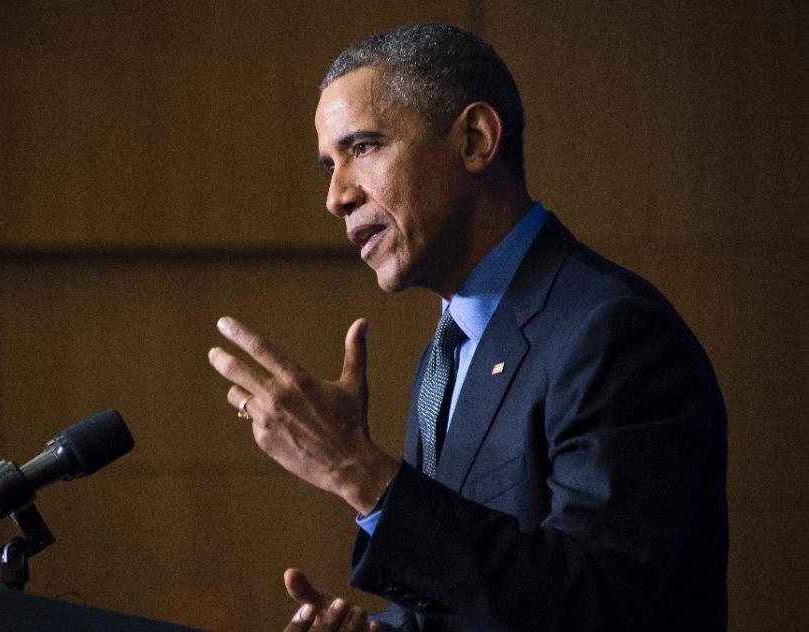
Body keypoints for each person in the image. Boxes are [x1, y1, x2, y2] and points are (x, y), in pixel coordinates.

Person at [208, 23, 727, 632]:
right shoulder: (447, 354)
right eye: (329, 163)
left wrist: (356, 469)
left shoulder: (613, 331)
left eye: (363, 148)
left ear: (476, 141)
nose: (336, 196)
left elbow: (598, 603)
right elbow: (480, 594)